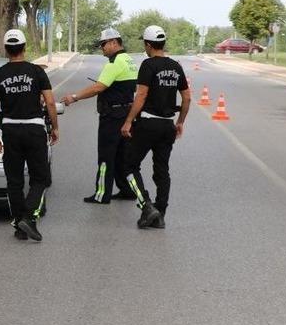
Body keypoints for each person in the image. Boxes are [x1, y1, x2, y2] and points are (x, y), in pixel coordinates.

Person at [0, 29, 59, 242]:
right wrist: (55, 127)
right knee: (41, 178)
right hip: (35, 130)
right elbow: (51, 102)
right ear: (24, 48)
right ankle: (28, 217)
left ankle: (19, 225)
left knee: (15, 180)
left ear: (6, 49)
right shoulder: (37, 72)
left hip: (10, 131)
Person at [119, 25, 191, 229]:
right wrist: (180, 122)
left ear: (148, 45)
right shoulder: (176, 67)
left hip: (148, 124)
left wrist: (128, 121)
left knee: (129, 166)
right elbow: (186, 97)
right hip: (168, 126)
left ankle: (146, 206)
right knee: (162, 170)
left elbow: (141, 96)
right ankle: (160, 214)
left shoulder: (148, 65)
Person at [61, 28, 142, 204]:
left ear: (114, 42)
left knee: (106, 156)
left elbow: (98, 87)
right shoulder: (129, 60)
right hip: (126, 114)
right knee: (122, 156)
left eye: (103, 44)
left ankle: (102, 194)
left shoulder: (114, 63)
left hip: (112, 116)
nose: (102, 48)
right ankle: (126, 190)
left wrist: (74, 97)